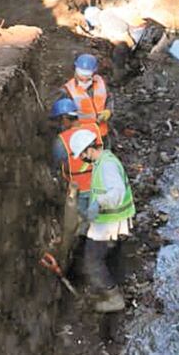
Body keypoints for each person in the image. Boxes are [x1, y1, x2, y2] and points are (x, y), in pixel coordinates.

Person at [69, 129, 135, 313]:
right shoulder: (103, 161)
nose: (82, 158)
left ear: (89, 149)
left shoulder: (107, 166)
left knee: (92, 261)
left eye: (82, 154)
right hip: (113, 221)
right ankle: (117, 285)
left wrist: (98, 203)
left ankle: (114, 299)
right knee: (111, 256)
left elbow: (117, 192)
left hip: (109, 224)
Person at [63, 53, 112, 132]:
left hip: (102, 130)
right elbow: (66, 115)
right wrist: (72, 124)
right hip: (82, 133)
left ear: (93, 73)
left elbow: (109, 98)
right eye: (81, 75)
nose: (84, 78)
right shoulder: (68, 90)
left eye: (87, 75)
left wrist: (108, 110)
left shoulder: (101, 82)